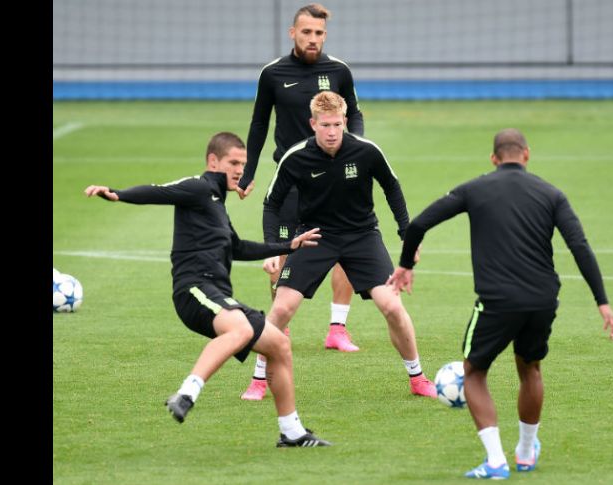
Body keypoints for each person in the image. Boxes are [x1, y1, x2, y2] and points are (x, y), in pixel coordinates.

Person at [387, 128, 613, 478]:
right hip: (543, 300)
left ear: (494, 159)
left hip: (498, 301)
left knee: (473, 373)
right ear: (526, 154)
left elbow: (419, 224)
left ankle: (496, 461)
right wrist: (602, 301)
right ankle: (526, 452)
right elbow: (579, 246)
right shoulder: (551, 194)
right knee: (530, 368)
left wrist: (406, 265)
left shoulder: (474, 189)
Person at [84, 132, 332, 447]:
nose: (240, 170)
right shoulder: (198, 187)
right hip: (193, 289)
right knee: (241, 328)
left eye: (242, 164)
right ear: (213, 161)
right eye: (233, 163)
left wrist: (289, 246)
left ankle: (292, 432)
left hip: (217, 293)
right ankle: (187, 393)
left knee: (279, 345)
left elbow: (237, 247)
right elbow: (159, 191)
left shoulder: (216, 203)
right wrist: (117, 194)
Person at [257, 90, 437, 399]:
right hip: (314, 237)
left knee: (393, 306)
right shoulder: (295, 157)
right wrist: (273, 247)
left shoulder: (366, 151)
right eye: (325, 125)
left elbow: (392, 187)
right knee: (282, 307)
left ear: (345, 122)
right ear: (313, 124)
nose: (332, 132)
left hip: (362, 236)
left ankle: (418, 378)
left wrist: (406, 232)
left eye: (337, 124)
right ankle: (259, 380)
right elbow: (271, 204)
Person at [239, 3, 365, 401]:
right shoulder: (272, 74)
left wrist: (357, 152)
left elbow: (355, 115)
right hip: (291, 180)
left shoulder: (339, 71)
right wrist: (248, 172)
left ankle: (337, 328)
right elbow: (259, 123)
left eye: (319, 33)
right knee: (279, 253)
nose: (313, 39)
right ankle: (282, 326)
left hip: (334, 180)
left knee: (345, 249)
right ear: (293, 32)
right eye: (307, 32)